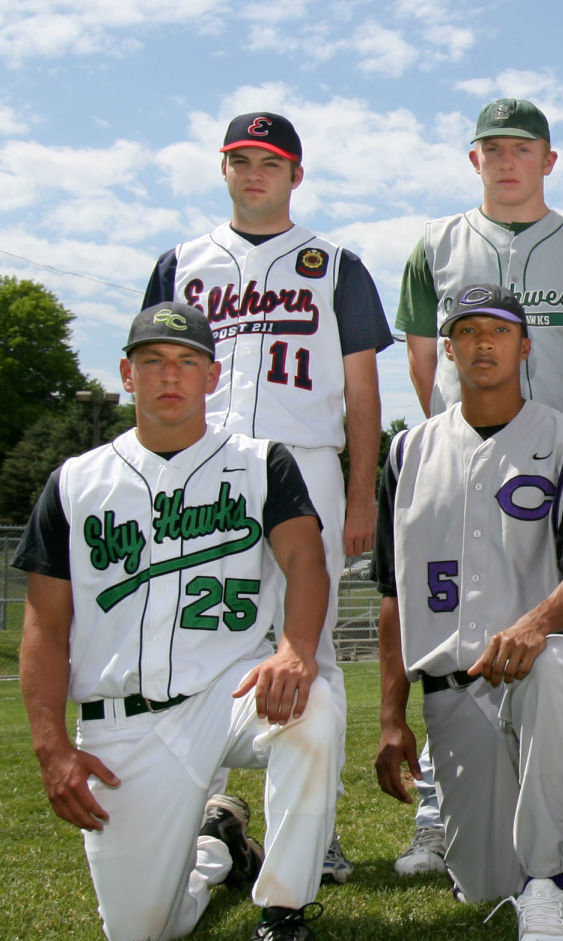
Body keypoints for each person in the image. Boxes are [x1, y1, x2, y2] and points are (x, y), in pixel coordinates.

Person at [13, 301, 341, 941]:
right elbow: (45, 624)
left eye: (187, 361)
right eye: (154, 362)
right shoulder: (73, 483)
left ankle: (283, 916)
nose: (171, 376)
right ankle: (218, 845)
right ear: (127, 375)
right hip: (122, 723)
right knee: (141, 933)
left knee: (312, 708)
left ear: (212, 375)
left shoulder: (259, 462)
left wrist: (296, 648)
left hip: (229, 690)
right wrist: (51, 745)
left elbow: (306, 560)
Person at [142, 111, 386, 885]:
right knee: (187, 637)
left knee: (306, 647)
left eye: (270, 162)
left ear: (295, 175)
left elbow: (360, 390)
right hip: (194, 470)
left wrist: (359, 495)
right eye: (241, 160)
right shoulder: (181, 263)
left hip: (303, 463)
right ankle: (199, 812)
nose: (255, 173)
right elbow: (154, 379)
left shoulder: (333, 264)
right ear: (222, 169)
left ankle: (315, 827)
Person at [391, 97, 563, 872]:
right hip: (456, 458)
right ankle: (436, 807)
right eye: (492, 148)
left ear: (548, 160)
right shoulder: (436, 245)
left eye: (522, 148)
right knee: (447, 631)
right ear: (474, 160)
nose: (506, 160)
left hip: (554, 454)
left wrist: (556, 431)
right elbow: (424, 360)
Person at [371, 284, 563, 941]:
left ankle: (549, 880)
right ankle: (530, 851)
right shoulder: (405, 454)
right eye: (468, 331)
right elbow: (392, 594)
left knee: (546, 665)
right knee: (485, 886)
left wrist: (535, 623)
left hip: (537, 669)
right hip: (452, 687)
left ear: (525, 344)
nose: (484, 343)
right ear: (446, 348)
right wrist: (391, 717)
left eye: (500, 330)